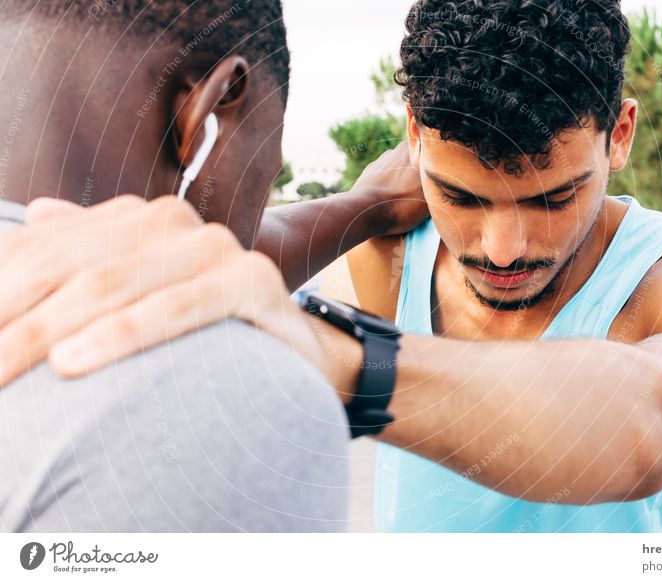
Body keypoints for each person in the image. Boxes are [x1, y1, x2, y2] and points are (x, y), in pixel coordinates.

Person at [1, 0, 662, 533]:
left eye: (554, 198)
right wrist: (360, 208)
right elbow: (215, 269)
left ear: (619, 133)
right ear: (413, 131)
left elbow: (661, 417)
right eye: (461, 196)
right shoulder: (387, 252)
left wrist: (337, 355)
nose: (502, 247)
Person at [0, 0, 399, 532]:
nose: (235, 249)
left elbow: (219, 255)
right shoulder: (229, 397)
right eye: (263, 176)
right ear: (211, 106)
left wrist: (365, 205)